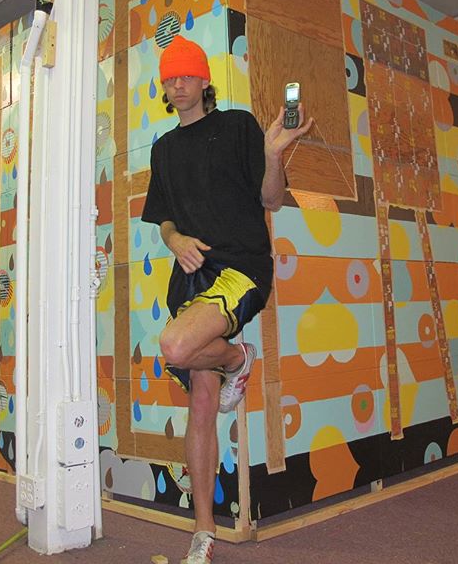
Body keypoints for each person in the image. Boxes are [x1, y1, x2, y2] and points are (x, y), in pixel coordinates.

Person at [141, 35, 312, 564]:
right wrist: (173, 240)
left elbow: (270, 199)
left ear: (204, 80)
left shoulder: (237, 126)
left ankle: (238, 358)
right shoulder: (163, 149)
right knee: (201, 402)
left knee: (174, 345)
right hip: (191, 278)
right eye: (170, 78)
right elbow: (163, 217)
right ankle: (204, 533)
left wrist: (273, 154)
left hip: (240, 266)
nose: (178, 84)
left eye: (187, 75)